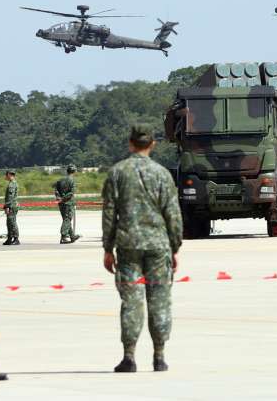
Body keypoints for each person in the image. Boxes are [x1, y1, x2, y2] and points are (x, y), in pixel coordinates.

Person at [102, 125, 183, 373]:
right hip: (158, 247)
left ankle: (129, 356)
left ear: (130, 144)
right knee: (160, 300)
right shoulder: (162, 174)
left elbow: (109, 214)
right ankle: (159, 356)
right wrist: (174, 246)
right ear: (153, 144)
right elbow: (173, 214)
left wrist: (108, 247)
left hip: (128, 247)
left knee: (131, 302)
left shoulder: (117, 173)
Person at [54, 164, 81, 244]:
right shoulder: (72, 181)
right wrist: (64, 199)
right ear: (74, 171)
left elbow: (56, 190)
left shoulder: (60, 180)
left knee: (66, 220)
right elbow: (71, 193)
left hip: (61, 204)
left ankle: (72, 236)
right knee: (67, 219)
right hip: (68, 203)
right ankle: (64, 236)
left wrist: (59, 198)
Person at [3, 170, 20, 245]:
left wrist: (7, 206)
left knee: (12, 222)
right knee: (9, 222)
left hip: (12, 206)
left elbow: (10, 197)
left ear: (9, 175)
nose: (5, 176)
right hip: (12, 205)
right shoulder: (12, 183)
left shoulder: (12, 185)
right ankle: (10, 238)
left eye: (6, 175)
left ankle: (16, 238)